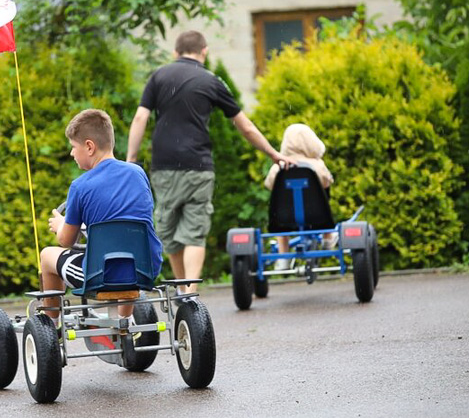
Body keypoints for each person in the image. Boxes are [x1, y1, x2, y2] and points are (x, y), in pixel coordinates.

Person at [127, 30, 297, 295]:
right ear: (203, 51)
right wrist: (273, 154)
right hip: (198, 164)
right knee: (194, 229)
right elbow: (246, 127)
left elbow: (140, 119)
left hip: (164, 165)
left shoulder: (159, 76)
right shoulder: (211, 81)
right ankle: (189, 292)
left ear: (175, 52)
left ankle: (181, 288)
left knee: (167, 225)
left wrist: (131, 160)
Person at [43, 109, 163, 321]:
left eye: (73, 147)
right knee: (127, 256)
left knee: (46, 256)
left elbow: (66, 241)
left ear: (89, 146)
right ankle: (124, 322)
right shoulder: (138, 174)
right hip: (145, 268)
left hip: (99, 276)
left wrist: (61, 224)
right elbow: (126, 221)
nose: (71, 153)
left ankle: (51, 327)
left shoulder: (80, 187)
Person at [263, 122, 336, 269]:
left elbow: (269, 185)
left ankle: (283, 257)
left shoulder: (278, 168)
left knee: (280, 210)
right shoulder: (317, 165)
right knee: (325, 198)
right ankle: (328, 239)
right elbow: (327, 182)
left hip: (285, 219)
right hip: (317, 217)